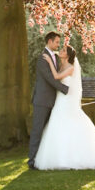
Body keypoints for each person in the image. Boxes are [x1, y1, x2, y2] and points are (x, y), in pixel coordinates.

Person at [27, 31, 69, 169]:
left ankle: (43, 159)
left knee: (48, 132)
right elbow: (50, 79)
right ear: (49, 41)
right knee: (37, 131)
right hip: (42, 101)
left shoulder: (55, 58)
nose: (58, 44)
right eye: (56, 42)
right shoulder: (42, 58)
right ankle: (32, 161)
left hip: (53, 101)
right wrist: (64, 89)